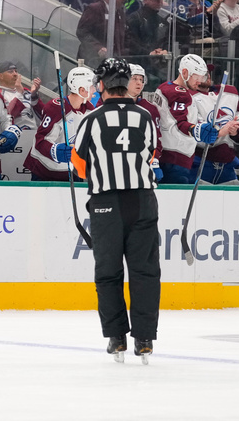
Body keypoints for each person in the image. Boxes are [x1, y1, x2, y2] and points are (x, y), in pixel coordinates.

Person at [71, 58, 159, 363]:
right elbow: (149, 156)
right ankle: (144, 339)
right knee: (145, 271)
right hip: (143, 200)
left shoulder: (92, 119)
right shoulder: (146, 117)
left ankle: (117, 337)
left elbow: (79, 164)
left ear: (101, 85)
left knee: (108, 273)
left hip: (106, 202)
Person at [152, 53, 221, 184]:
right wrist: (197, 130)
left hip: (166, 156)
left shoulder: (164, 87)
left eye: (202, 76)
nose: (200, 81)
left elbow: (177, 118)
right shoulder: (180, 94)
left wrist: (201, 125)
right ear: (184, 73)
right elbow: (180, 123)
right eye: (196, 76)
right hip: (175, 160)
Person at [24, 67, 95, 182]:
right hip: (45, 170)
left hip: (72, 171)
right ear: (82, 90)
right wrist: (55, 150)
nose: (94, 91)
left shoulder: (89, 110)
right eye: (91, 87)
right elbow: (40, 141)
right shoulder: (56, 108)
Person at [191, 73, 239, 185]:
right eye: (202, 74)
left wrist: (235, 131)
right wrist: (221, 132)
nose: (207, 76)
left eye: (208, 73)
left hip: (227, 165)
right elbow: (193, 129)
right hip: (200, 164)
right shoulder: (189, 97)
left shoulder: (229, 93)